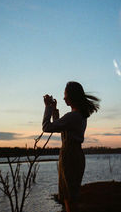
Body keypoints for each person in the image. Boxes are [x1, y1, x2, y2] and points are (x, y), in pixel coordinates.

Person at [42, 81, 100, 212]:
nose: (63, 98)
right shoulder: (78, 116)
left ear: (72, 96)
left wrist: (48, 107)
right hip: (74, 154)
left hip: (70, 156)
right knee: (69, 196)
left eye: (65, 94)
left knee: (69, 197)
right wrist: (54, 109)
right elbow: (59, 125)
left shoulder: (73, 116)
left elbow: (47, 127)